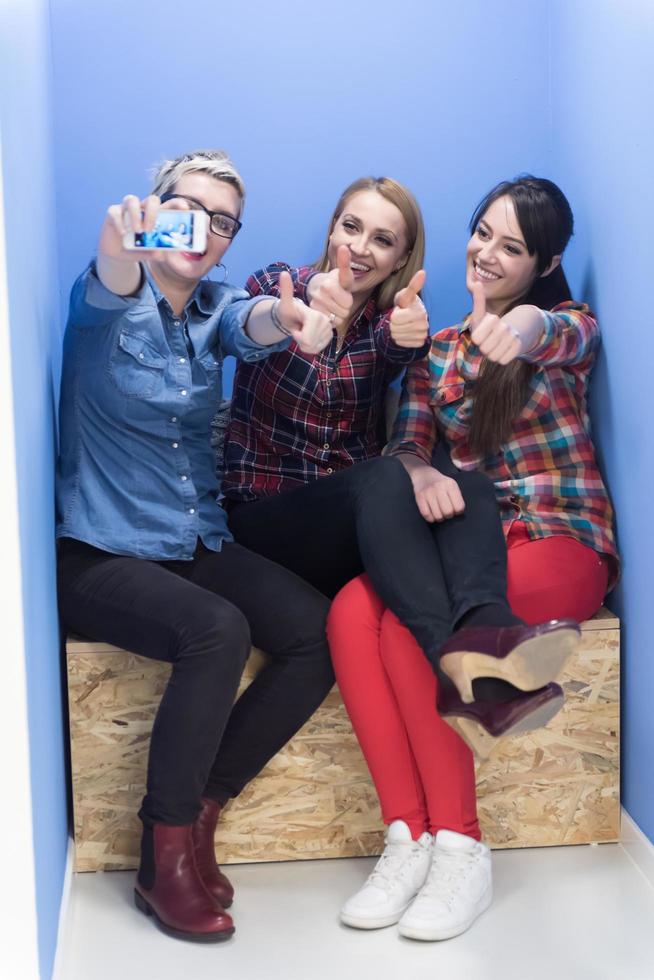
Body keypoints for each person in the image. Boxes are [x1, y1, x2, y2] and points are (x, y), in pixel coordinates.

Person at [56, 149, 338, 943]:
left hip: (190, 541)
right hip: (101, 553)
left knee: (314, 634)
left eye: (221, 222)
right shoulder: (107, 301)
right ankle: (162, 854)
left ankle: (203, 810)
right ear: (155, 209)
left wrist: (289, 319)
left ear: (227, 242)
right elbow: (114, 272)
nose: (203, 230)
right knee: (218, 630)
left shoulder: (215, 307)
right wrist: (122, 242)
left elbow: (252, 323)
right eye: (186, 209)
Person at [327, 175, 618, 942]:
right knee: (356, 610)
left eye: (512, 246)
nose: (486, 253)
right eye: (482, 232)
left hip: (558, 540)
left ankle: (461, 847)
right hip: (473, 548)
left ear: (543, 262)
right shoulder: (441, 351)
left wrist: (519, 327)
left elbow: (558, 336)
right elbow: (407, 442)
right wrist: (418, 469)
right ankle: (408, 838)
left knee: (412, 633)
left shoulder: (563, 327)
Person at [223, 175, 579, 738]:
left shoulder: (395, 333)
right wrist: (298, 311)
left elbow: (406, 385)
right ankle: (457, 670)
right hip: (265, 524)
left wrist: (407, 337)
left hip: (346, 537)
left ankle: (486, 642)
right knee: (392, 474)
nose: (362, 248)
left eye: (383, 240)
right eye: (352, 227)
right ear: (332, 229)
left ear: (398, 260)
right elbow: (254, 317)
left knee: (467, 484)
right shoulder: (280, 287)